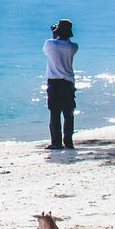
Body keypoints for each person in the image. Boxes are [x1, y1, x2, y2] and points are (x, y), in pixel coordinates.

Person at [43, 19, 78, 150]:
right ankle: (68, 142)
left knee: (54, 113)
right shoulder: (73, 47)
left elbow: (47, 50)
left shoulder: (50, 44)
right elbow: (66, 43)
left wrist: (54, 34)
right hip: (68, 83)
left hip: (54, 83)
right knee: (68, 114)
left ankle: (56, 142)